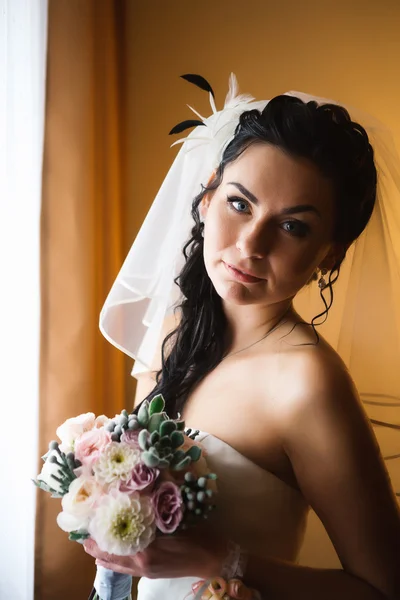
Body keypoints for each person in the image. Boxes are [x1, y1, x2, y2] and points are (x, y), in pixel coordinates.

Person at [85, 75, 400, 600]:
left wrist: (225, 560)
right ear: (207, 197)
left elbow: (386, 587)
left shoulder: (307, 384)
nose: (251, 244)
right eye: (239, 204)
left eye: (294, 227)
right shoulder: (172, 331)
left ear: (331, 253)